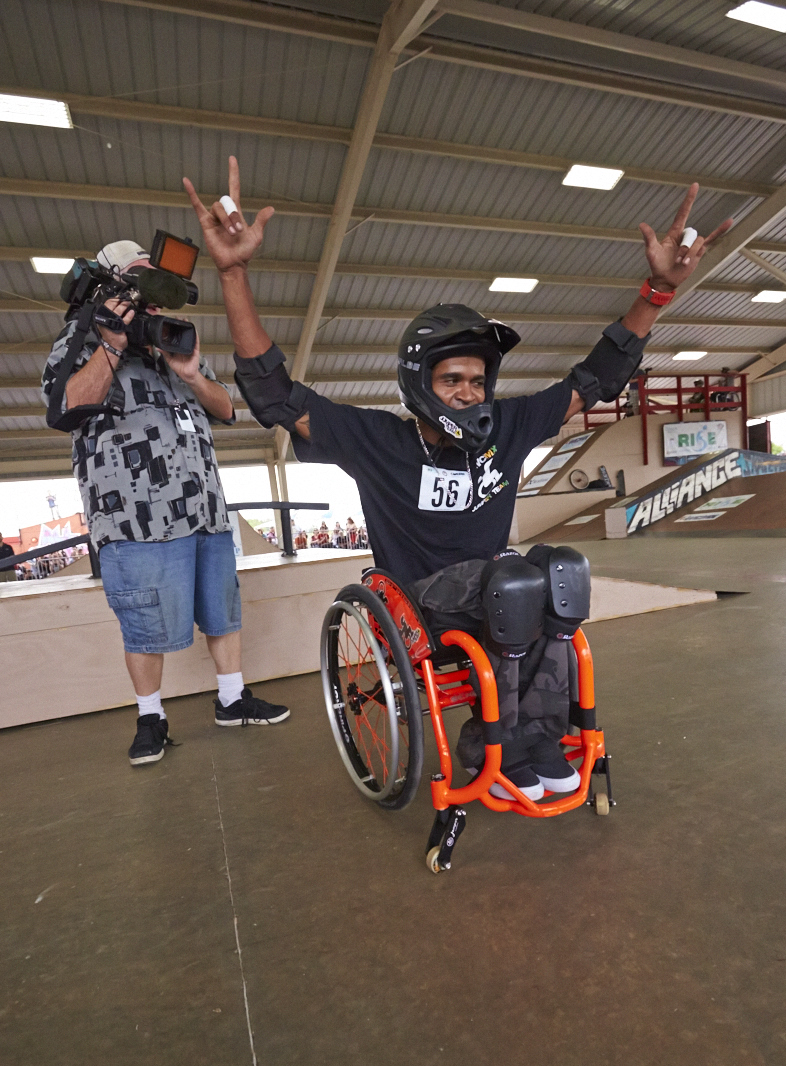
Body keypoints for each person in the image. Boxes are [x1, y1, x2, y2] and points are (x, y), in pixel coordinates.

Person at [185, 159, 731, 799]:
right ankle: (488, 756)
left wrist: (655, 293)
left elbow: (596, 381)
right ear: (423, 386)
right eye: (453, 381)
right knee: (517, 580)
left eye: (477, 380)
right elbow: (274, 395)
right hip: (419, 605)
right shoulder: (381, 441)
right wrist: (233, 274)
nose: (469, 393)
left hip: (505, 591)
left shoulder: (507, 425)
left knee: (561, 575)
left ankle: (536, 745)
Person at [42, 237, 290, 766]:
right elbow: (65, 407)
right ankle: (150, 717)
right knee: (144, 624)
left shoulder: (169, 342)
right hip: (135, 522)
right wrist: (110, 343)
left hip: (204, 510)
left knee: (223, 612)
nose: (147, 302)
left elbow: (226, 408)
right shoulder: (79, 340)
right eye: (136, 287)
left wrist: (193, 374)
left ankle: (231, 699)